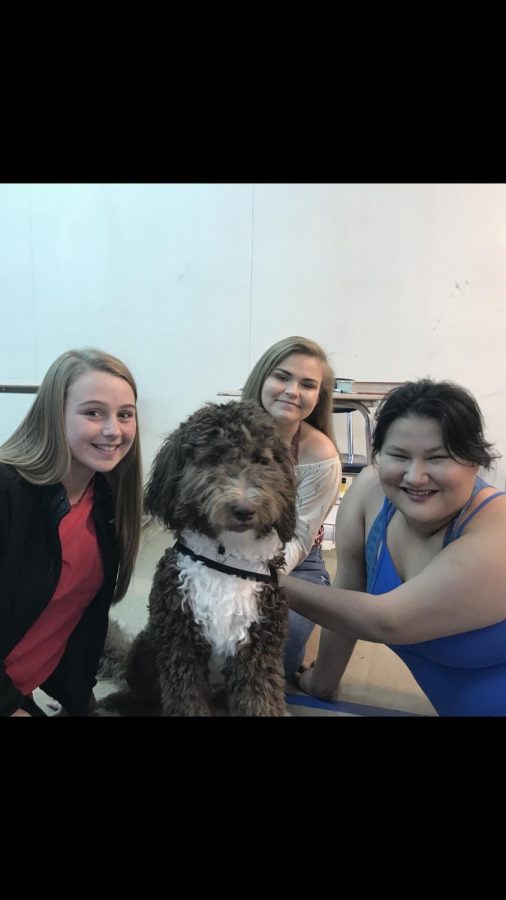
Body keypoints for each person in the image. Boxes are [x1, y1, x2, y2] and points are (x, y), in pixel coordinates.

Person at [281, 378, 506, 716]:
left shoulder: (494, 528)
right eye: (399, 455)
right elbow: (347, 592)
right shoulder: (369, 496)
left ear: (474, 460)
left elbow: (387, 621)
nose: (415, 477)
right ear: (378, 456)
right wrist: (321, 683)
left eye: (438, 457)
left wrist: (257, 578)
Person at [0, 348, 143, 717]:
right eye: (93, 412)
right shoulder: (7, 493)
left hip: (23, 688)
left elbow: (79, 619)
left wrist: (77, 697)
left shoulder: (107, 502)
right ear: (54, 414)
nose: (114, 430)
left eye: (125, 414)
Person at [242, 336, 341, 677]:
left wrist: (244, 582)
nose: (292, 391)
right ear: (263, 379)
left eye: (308, 384)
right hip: (220, 553)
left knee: (267, 663)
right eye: (282, 377)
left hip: (295, 567)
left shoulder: (320, 456)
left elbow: (298, 540)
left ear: (319, 395)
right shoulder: (223, 433)